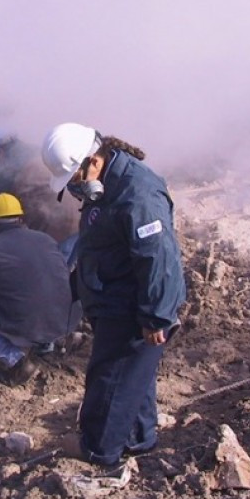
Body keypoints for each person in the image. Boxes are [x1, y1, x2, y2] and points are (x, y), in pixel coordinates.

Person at [40, 122, 187, 465]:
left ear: (93, 161)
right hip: (115, 295)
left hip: (132, 305)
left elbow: (158, 257)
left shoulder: (138, 194)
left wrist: (155, 316)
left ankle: (98, 448)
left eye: (73, 180)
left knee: (110, 376)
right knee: (135, 375)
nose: (75, 190)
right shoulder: (107, 185)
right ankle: (138, 439)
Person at [0, 193, 83, 385]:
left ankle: (16, 361)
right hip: (67, 321)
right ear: (20, 218)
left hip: (27, 330)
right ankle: (59, 339)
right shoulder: (46, 239)